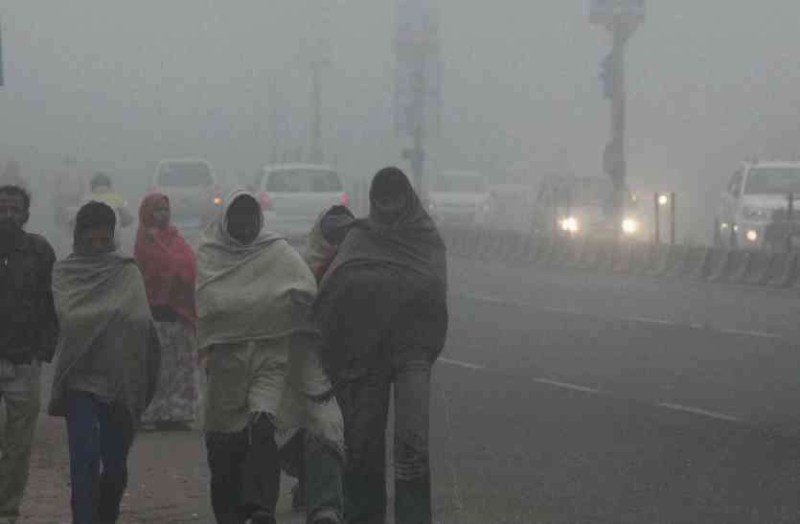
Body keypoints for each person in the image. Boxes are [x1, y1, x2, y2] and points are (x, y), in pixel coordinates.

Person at [197, 189, 344, 524]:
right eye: (238, 217)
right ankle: (231, 512)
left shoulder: (276, 251)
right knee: (225, 441)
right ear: (226, 221)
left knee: (263, 426)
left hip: (270, 357)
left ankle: (261, 507)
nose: (245, 224)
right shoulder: (211, 254)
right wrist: (263, 308)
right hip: (226, 364)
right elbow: (211, 307)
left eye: (251, 217)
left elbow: (305, 292)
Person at [315, 167, 449, 524]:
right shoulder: (361, 236)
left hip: (413, 349)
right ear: (374, 201)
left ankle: (414, 517)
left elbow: (434, 290)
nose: (390, 205)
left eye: (396, 197)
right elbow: (335, 285)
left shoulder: (425, 237)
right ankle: (363, 515)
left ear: (407, 198)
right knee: (363, 439)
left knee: (412, 442)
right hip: (366, 349)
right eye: (383, 198)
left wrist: (376, 285)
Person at [48, 201, 161, 524]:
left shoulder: (126, 271)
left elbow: (140, 321)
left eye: (104, 240)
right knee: (83, 459)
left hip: (122, 381)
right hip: (80, 378)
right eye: (90, 241)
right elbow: (69, 318)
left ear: (113, 237)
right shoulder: (66, 273)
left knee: (114, 466)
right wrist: (110, 316)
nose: (98, 247)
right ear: (78, 238)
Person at [282, 204, 355, 512]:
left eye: (344, 236)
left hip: (350, 358)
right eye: (333, 236)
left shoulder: (358, 266)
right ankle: (316, 491)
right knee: (317, 425)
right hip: (310, 358)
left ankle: (331, 493)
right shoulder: (302, 269)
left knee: (343, 426)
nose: (338, 243)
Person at [0, 185, 58, 524]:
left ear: (26, 215)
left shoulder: (39, 251)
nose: (8, 215)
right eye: (2, 209)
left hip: (24, 363)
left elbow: (53, 303)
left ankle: (7, 511)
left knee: (18, 447)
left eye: (14, 210)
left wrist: (43, 351)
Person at [134, 193, 198, 431]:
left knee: (181, 365)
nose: (162, 214)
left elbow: (189, 264)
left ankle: (178, 413)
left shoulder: (174, 237)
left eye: (165, 209)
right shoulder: (145, 240)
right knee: (157, 367)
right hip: (156, 312)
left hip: (179, 312)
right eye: (157, 209)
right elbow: (157, 269)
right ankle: (152, 413)